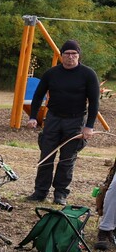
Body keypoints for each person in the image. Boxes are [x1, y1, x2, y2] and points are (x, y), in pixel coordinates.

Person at [25, 39, 101, 204]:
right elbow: (38, 96)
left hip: (75, 121)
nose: (70, 57)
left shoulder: (88, 74)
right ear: (61, 55)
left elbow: (94, 102)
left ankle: (60, 194)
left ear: (78, 56)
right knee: (46, 156)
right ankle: (40, 192)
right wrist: (33, 117)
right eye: (67, 54)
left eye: (74, 54)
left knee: (67, 159)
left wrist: (89, 126)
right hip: (53, 119)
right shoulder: (51, 73)